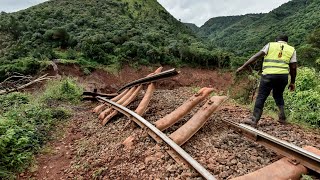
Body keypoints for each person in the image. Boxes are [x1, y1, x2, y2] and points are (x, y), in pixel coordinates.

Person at [236, 34, 297, 126]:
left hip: (268, 75)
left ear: (276, 39)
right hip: (282, 77)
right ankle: (282, 117)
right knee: (278, 95)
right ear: (286, 41)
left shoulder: (270, 45)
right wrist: (292, 82)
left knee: (261, 96)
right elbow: (293, 67)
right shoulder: (292, 49)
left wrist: (243, 66)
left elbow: (256, 57)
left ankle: (254, 120)